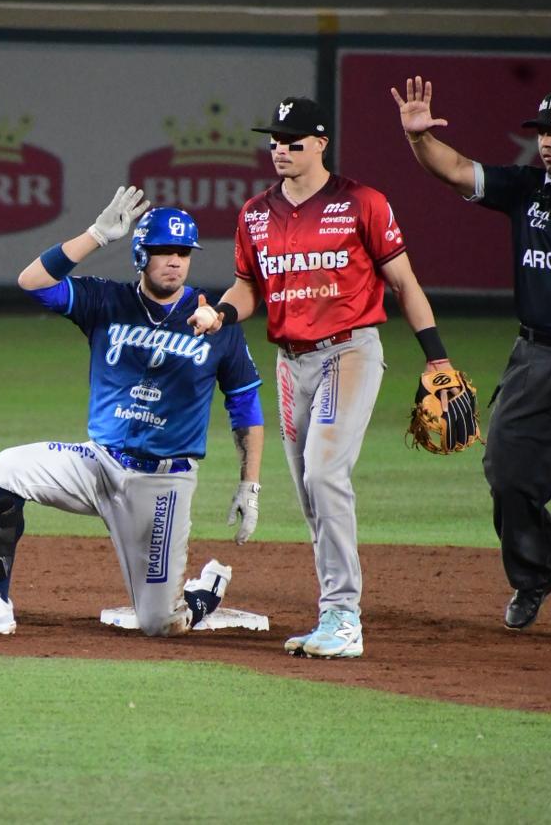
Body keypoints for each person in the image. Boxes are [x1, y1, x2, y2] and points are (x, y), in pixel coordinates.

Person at [188, 96, 464, 659]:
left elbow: (405, 283)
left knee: (325, 473)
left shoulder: (361, 202)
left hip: (349, 351)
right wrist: (219, 312)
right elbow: (248, 287)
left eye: (292, 140)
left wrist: (435, 357)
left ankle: (344, 618)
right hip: (291, 363)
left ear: (320, 144)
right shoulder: (255, 213)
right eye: (273, 141)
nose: (280, 150)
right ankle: (332, 616)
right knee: (311, 493)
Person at [390, 78, 551, 644]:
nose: (547, 142)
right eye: (541, 132)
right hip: (531, 357)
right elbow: (457, 169)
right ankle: (536, 574)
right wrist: (417, 138)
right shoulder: (526, 189)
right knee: (505, 472)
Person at [0, 186, 266, 638]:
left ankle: (207, 589)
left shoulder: (214, 319)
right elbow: (33, 283)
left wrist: (249, 484)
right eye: (163, 251)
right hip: (97, 462)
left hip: (163, 482)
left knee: (160, 623)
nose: (175, 260)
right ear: (141, 255)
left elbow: (244, 404)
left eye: (183, 251)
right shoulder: (107, 301)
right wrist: (96, 235)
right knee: (6, 468)